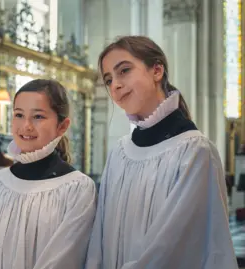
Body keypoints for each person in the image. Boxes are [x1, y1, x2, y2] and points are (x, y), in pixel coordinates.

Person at [85, 35, 238, 269]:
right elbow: (100, 236)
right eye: (108, 80)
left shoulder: (194, 150)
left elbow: (174, 244)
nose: (115, 84)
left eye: (124, 71)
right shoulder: (120, 153)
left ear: (157, 71)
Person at [0, 79, 97, 269]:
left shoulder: (78, 188)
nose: (26, 125)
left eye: (38, 117)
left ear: (62, 126)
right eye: (19, 115)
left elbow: (64, 259)